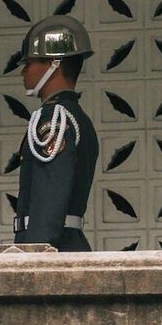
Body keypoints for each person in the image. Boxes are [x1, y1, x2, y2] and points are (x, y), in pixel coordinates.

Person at [10, 16, 98, 252]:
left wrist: (35, 256)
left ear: (54, 64)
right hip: (67, 246)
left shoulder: (53, 119)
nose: (24, 72)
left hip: (52, 250)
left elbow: (49, 202)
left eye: (28, 63)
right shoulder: (78, 119)